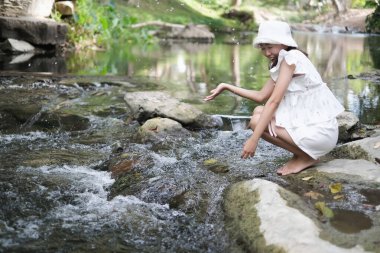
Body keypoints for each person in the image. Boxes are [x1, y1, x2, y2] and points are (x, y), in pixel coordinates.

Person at [204, 20, 344, 175]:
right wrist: (226, 86)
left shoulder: (291, 58)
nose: (266, 53)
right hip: (313, 128)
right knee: (258, 111)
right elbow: (261, 96)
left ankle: (306, 157)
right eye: (263, 48)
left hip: (321, 133)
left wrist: (253, 140)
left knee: (257, 122)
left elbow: (274, 101)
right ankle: (301, 153)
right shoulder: (283, 60)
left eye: (270, 47)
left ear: (283, 43)